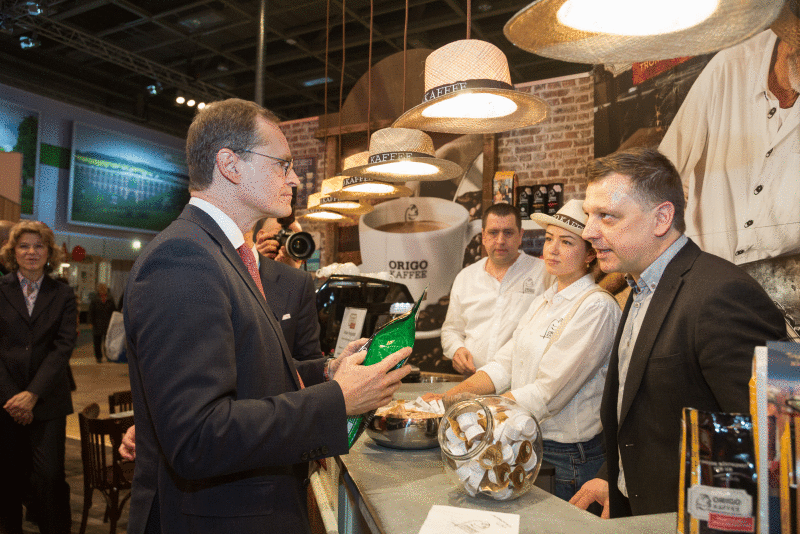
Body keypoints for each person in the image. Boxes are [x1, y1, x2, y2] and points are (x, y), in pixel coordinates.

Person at [123, 98, 410, 534]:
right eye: (282, 164)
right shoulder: (184, 258)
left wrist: (328, 371)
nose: (294, 177)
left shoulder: (226, 253)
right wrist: (339, 401)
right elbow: (198, 437)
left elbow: (250, 372)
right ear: (230, 164)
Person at [570, 147, 785, 518]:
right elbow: (644, 413)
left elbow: (773, 444)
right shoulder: (640, 286)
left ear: (661, 218)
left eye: (607, 216)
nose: (589, 232)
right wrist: (614, 476)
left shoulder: (721, 294)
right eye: (590, 215)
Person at [429, 200, 621, 501]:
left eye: (566, 242)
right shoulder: (544, 301)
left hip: (568, 457)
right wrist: (450, 398)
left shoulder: (596, 307)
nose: (552, 249)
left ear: (590, 254)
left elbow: (548, 392)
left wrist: (478, 415)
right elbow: (505, 364)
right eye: (548, 239)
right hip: (526, 439)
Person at [659, 1, 800, 265]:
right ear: (787, 43)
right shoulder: (729, 67)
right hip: (703, 270)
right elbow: (664, 169)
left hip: (786, 285)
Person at [0, 220, 76, 534]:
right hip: (5, 401)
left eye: (39, 246)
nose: (32, 252)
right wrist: (12, 396)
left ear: (49, 252)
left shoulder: (63, 293)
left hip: (48, 400)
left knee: (49, 477)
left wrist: (32, 394)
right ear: (13, 252)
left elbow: (63, 346)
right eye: (24, 246)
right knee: (7, 478)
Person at [441, 203, 553, 375]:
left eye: (508, 233)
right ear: (483, 236)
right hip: (472, 381)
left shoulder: (544, 273)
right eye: (493, 233)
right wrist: (456, 349)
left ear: (520, 235)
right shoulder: (465, 277)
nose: (500, 241)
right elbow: (451, 330)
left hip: (520, 385)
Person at [248, 217, 322, 361]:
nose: (286, 244)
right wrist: (254, 262)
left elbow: (309, 357)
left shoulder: (299, 282)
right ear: (261, 236)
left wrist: (289, 271)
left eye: (294, 238)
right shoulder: (238, 269)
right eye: (281, 236)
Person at [88, 282, 116, 363]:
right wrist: (90, 322)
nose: (103, 290)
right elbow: (91, 311)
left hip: (107, 323)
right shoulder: (95, 299)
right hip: (97, 323)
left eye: (104, 288)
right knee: (97, 342)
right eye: (101, 288)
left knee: (107, 342)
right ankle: (98, 357)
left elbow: (114, 311)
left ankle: (108, 356)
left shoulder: (110, 299)